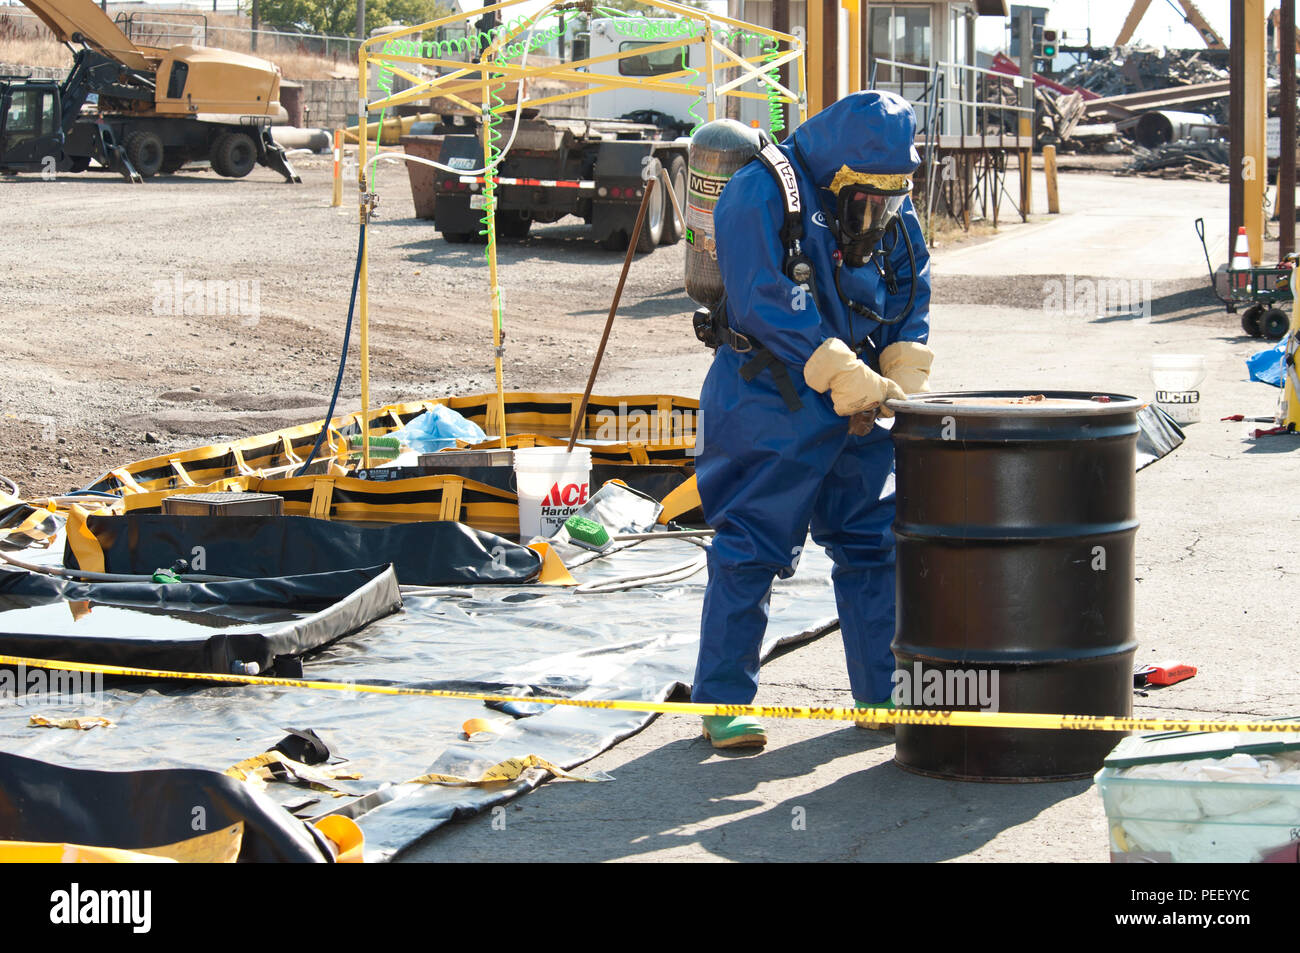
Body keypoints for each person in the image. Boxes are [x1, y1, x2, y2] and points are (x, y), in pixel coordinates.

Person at [692, 90, 934, 749]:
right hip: (767, 394)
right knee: (751, 544)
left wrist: (905, 360)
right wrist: (834, 367)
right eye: (871, 198)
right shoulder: (759, 191)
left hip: (856, 399)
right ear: (840, 176)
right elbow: (762, 295)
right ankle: (721, 701)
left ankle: (881, 694)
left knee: (873, 541)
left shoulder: (884, 192)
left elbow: (911, 280)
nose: (882, 211)